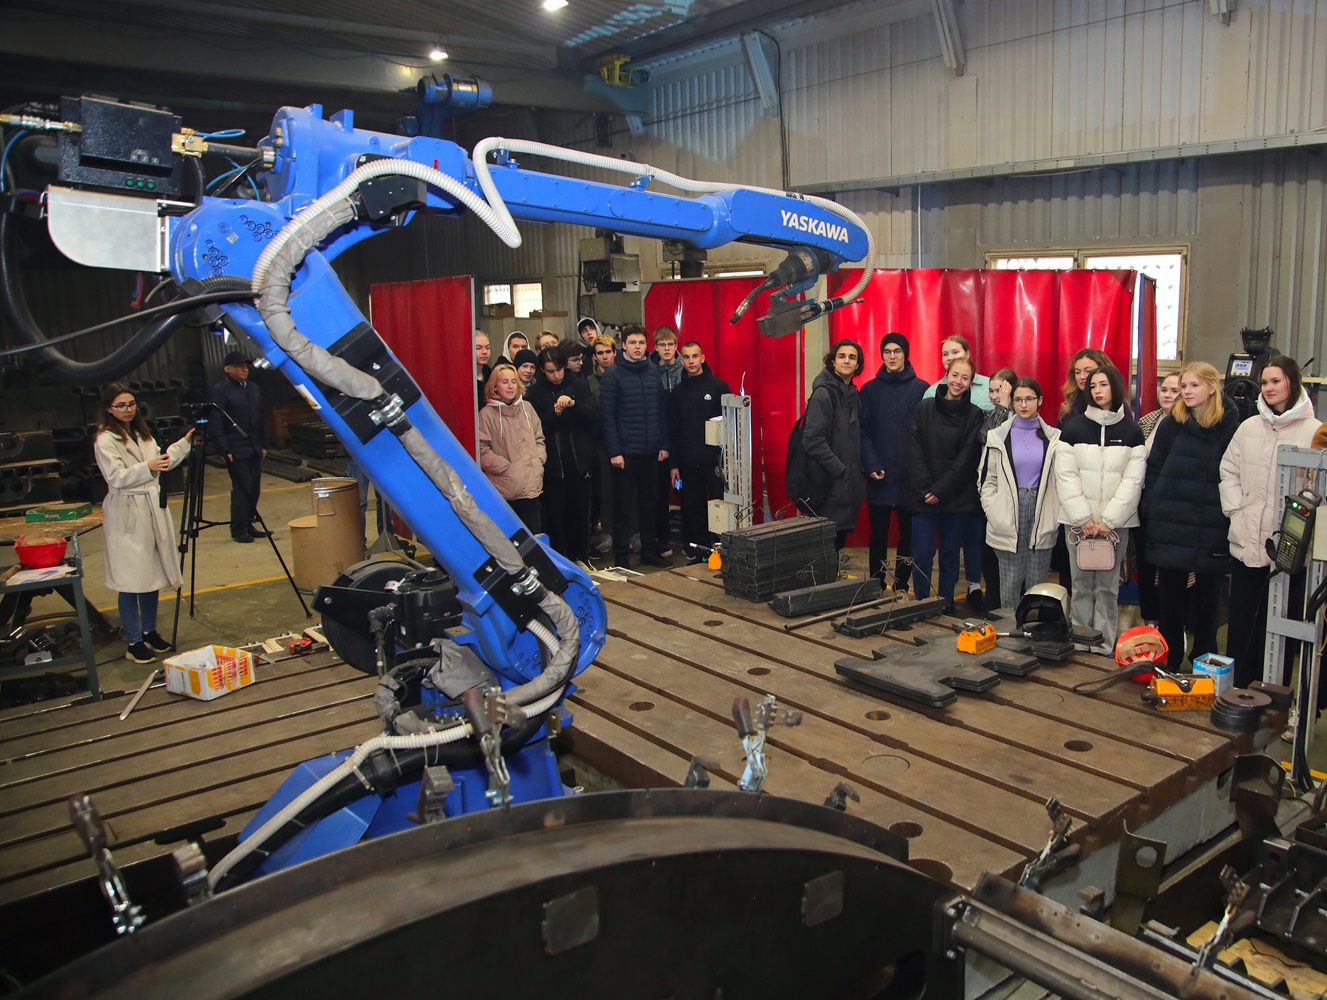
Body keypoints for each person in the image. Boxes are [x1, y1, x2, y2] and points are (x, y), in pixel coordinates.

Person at [1220, 356, 1320, 687]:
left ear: (1293, 382)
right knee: (1243, 621)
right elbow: (1228, 471)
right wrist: (1237, 511)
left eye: (1275, 381)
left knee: (1280, 624)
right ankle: (1237, 689)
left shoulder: (1314, 432)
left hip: (1289, 550)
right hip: (1248, 541)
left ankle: (1274, 692)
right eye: (1264, 382)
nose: (1268, 388)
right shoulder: (1248, 427)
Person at [1142, 362, 1240, 670]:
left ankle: (1204, 662)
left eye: (1193, 385)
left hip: (1211, 523)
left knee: (1208, 601)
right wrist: (1151, 505)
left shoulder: (1229, 426)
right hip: (1171, 522)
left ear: (1212, 387)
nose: (1186, 391)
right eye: (1183, 386)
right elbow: (1154, 468)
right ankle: (1170, 661)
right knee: (1170, 600)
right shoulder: (1171, 424)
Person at [94, 384, 194, 664]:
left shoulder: (142, 433)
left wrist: (184, 444)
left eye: (131, 404)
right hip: (127, 510)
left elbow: (160, 462)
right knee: (131, 580)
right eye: (121, 406)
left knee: (150, 575)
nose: (128, 410)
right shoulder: (105, 439)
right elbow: (116, 477)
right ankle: (134, 640)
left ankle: (149, 631)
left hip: (151, 506)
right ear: (108, 410)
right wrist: (147, 467)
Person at [1053, 365, 1144, 650]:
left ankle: (1104, 644)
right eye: (1092, 386)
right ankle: (1081, 643)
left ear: (1115, 387)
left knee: (1107, 588)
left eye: (1103, 384)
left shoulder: (1132, 431)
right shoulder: (1073, 428)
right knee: (1080, 586)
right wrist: (1083, 518)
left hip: (1115, 526)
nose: (1097, 391)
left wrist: (1109, 519)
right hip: (1078, 524)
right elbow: (1065, 477)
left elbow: (1133, 480)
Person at [906, 357, 985, 610]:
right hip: (923, 496)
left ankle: (946, 602)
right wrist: (927, 490)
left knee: (950, 556)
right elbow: (914, 451)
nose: (958, 382)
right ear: (946, 375)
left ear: (971, 383)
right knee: (921, 555)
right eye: (955, 375)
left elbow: (966, 459)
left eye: (965, 378)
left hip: (956, 497)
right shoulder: (924, 407)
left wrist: (939, 490)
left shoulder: (975, 415)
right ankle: (921, 602)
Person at [981, 378, 1061, 610]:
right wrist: (993, 510)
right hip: (1007, 511)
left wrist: (1056, 513)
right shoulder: (998, 436)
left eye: (1029, 399)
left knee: (1037, 581)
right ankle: (1009, 636)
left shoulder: (1054, 437)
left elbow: (1059, 480)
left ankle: (1033, 632)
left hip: (1042, 511)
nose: (1023, 404)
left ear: (1040, 401)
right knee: (1010, 581)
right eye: (1018, 400)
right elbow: (987, 479)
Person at [859, 332, 927, 591]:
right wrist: (872, 464)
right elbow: (863, 432)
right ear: (881, 355)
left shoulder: (922, 389)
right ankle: (876, 582)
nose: (892, 356)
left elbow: (925, 433)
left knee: (907, 535)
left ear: (905, 353)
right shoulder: (869, 390)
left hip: (910, 478)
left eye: (897, 350)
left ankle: (901, 583)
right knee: (878, 535)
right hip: (880, 476)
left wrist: (918, 470)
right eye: (887, 351)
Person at [600, 323, 671, 568]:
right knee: (623, 509)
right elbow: (607, 416)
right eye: (633, 343)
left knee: (649, 506)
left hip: (651, 453)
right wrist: (614, 451)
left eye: (641, 342)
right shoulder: (613, 375)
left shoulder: (653, 372)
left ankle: (649, 552)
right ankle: (621, 557)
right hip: (625, 455)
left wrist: (663, 444)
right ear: (623, 345)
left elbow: (661, 411)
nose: (638, 347)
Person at [527, 347, 599, 568]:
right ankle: (559, 560)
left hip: (579, 463)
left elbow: (594, 414)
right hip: (553, 467)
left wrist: (574, 405)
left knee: (580, 514)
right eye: (550, 371)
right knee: (556, 517)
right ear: (542, 370)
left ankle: (581, 556)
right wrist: (555, 413)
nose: (556, 375)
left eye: (558, 370)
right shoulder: (536, 392)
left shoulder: (578, 384)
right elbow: (537, 427)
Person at [669, 341, 732, 560]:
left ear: (703, 358)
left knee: (720, 507)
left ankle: (721, 549)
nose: (691, 361)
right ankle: (694, 549)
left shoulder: (719, 387)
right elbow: (673, 430)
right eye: (686, 357)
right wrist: (674, 465)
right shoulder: (677, 392)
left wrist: (729, 461)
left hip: (715, 463)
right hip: (687, 463)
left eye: (695, 356)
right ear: (682, 360)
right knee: (691, 508)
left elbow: (730, 426)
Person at [803, 339, 866, 551]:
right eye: (841, 356)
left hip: (846, 485)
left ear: (858, 365)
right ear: (832, 361)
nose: (847, 361)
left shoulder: (852, 393)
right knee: (825, 546)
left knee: (836, 544)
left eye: (852, 357)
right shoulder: (824, 393)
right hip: (829, 483)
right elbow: (812, 440)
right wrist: (840, 469)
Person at [1135, 372, 1183, 624]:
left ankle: (1173, 622)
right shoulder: (1147, 421)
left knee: (1170, 572)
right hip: (1144, 503)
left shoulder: (1186, 425)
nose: (1167, 395)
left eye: (1174, 390)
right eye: (1164, 389)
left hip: (1173, 509)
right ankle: (1148, 619)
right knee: (1145, 565)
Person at [478, 363, 546, 534]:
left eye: (513, 382)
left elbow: (539, 438)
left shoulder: (527, 408)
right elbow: (482, 450)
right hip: (505, 491)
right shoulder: (486, 415)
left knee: (534, 539)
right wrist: (508, 469)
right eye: (505, 382)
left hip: (532, 487)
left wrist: (538, 461)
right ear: (495, 386)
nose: (510, 386)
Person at [209, 350, 268, 543]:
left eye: (246, 366)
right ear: (228, 369)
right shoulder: (221, 390)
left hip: (253, 447)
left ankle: (249, 523)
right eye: (240, 366)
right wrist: (224, 449)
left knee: (254, 489)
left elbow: (260, 417)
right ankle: (238, 529)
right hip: (235, 449)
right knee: (242, 490)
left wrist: (263, 444)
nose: (245, 369)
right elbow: (216, 422)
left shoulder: (253, 388)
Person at [928, 336, 994, 411]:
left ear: (967, 354)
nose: (949, 358)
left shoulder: (989, 386)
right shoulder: (931, 393)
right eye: (945, 354)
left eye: (955, 352)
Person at [1058, 348, 1113, 421]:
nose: (1082, 377)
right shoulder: (1070, 403)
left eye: (1088, 371)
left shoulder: (1116, 404)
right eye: (1077, 372)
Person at [1139, 372, 1182, 439]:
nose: (1167, 395)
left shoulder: (1191, 425)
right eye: (1164, 390)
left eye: (1175, 391)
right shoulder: (1145, 421)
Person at [589, 333, 617, 399]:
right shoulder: (588, 382)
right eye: (600, 353)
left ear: (615, 353)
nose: (605, 357)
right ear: (594, 356)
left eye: (608, 352)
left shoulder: (624, 377)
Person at [474, 330, 492, 412]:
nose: (484, 352)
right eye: (478, 348)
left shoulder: (493, 376)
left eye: (487, 348)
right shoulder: (462, 380)